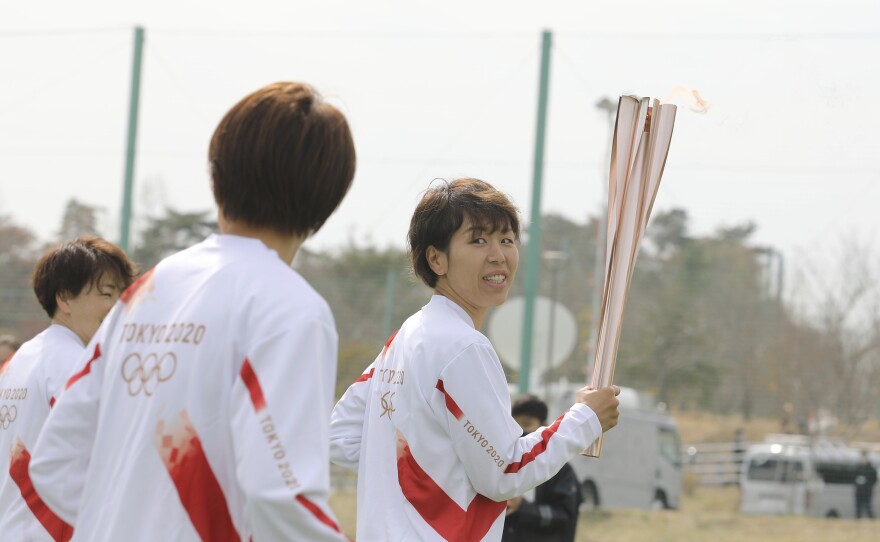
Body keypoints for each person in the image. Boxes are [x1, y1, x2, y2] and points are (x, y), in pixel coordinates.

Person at [30, 82, 357, 541]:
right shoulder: (290, 307)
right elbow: (282, 497)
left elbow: (53, 462)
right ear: (330, 197)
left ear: (216, 174)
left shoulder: (148, 290)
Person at [330, 178, 620, 541]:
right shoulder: (464, 347)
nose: (498, 254)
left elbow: (340, 436)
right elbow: (507, 471)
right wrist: (586, 419)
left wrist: (426, 469)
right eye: (478, 240)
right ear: (436, 258)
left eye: (507, 239)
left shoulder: (407, 335)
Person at [0, 236, 136, 541]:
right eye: (106, 293)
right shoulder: (73, 362)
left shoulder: (20, 359)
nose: (117, 307)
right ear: (64, 298)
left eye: (121, 294)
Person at [502, 395, 581, 542]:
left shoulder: (559, 468)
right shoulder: (500, 460)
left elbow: (564, 516)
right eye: (514, 425)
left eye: (526, 425)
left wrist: (522, 507)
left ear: (543, 427)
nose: (519, 432)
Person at [854, 449, 877, 519]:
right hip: (859, 492)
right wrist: (858, 482)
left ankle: (872, 524)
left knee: (868, 509)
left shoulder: (871, 468)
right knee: (858, 510)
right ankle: (858, 524)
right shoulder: (857, 467)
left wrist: (867, 483)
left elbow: (874, 479)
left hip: (867, 492)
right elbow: (853, 477)